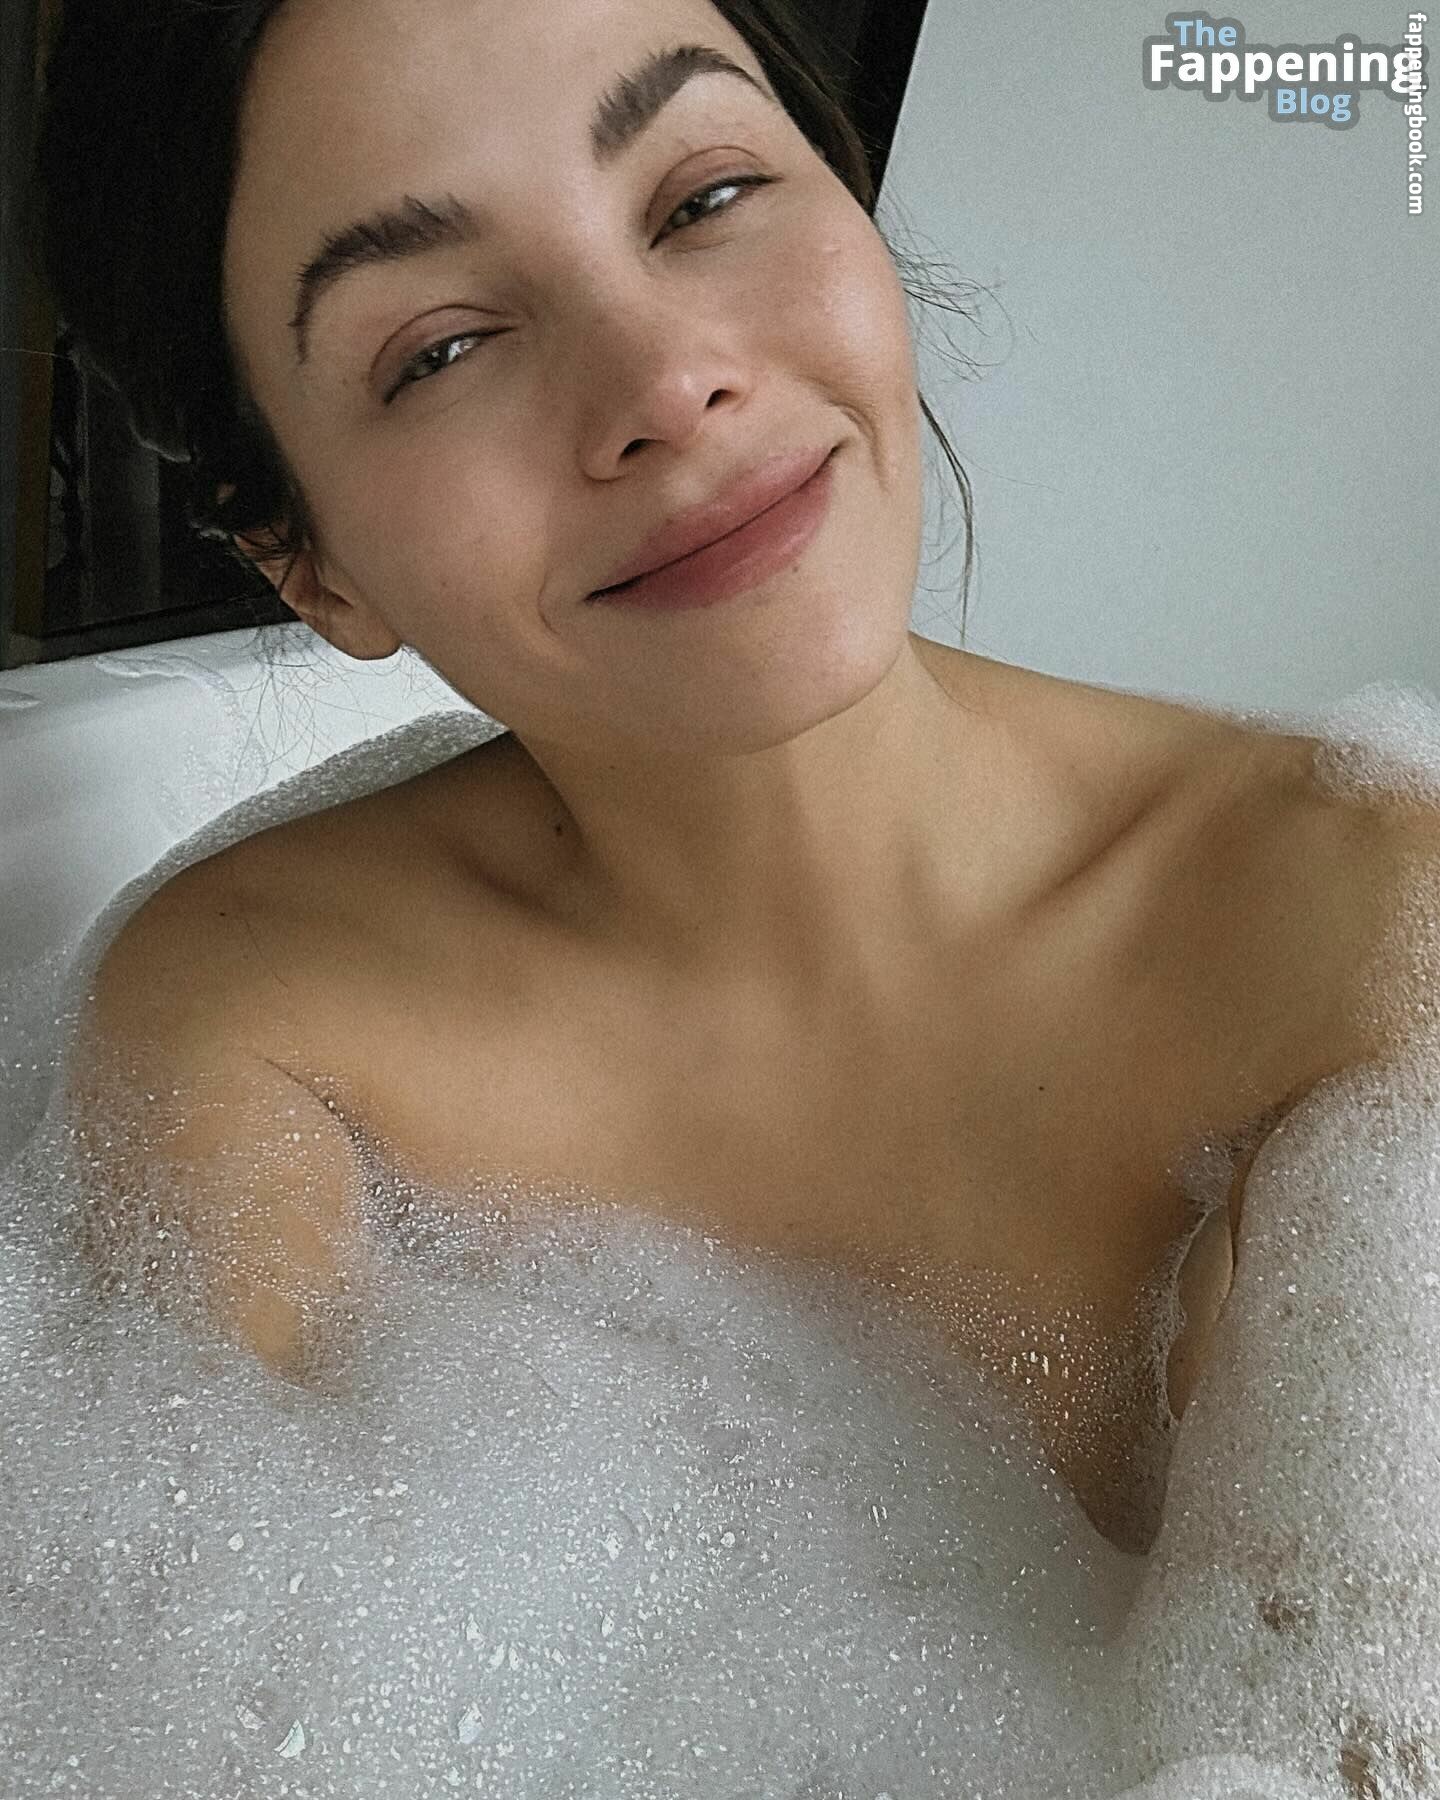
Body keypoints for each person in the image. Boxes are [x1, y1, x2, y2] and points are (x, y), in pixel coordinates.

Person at [27, 0, 1439, 1561]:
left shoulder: (1376, 930)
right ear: (308, 565)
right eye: (442, 349)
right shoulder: (269, 1030)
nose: (665, 383)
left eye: (704, 198)